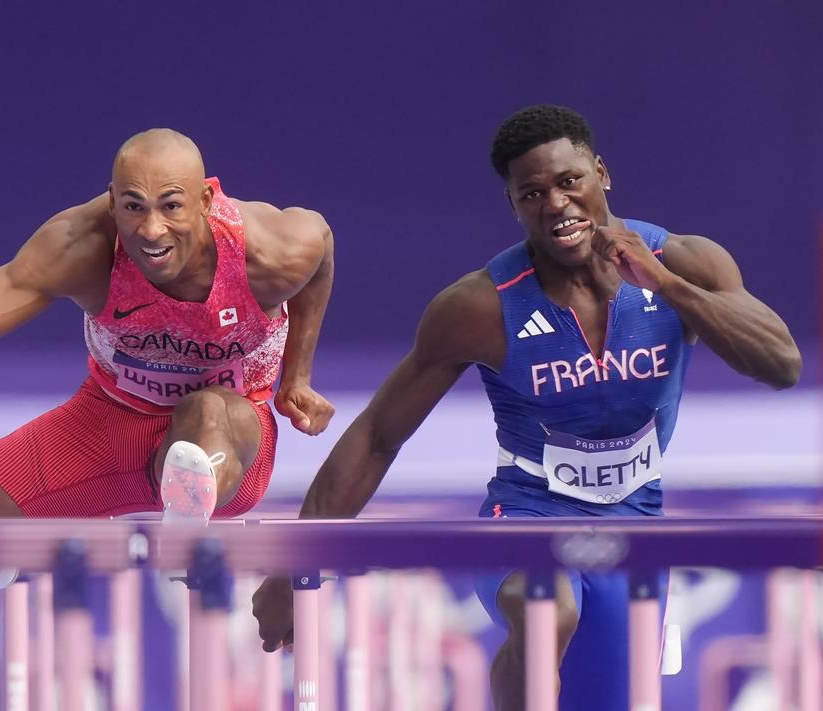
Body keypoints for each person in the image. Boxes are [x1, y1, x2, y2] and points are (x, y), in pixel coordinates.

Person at [252, 105, 801, 710]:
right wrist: (292, 562)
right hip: (524, 515)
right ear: (514, 206)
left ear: (601, 174)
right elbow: (379, 435)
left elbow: (781, 365)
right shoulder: (478, 306)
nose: (557, 204)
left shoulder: (686, 263)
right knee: (545, 607)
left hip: (636, 524)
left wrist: (667, 287)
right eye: (533, 193)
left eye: (570, 183)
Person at [0, 128, 336, 629]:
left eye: (171, 206)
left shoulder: (269, 251)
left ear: (206, 199)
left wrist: (296, 377)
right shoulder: (81, 245)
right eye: (134, 207)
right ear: (111, 201)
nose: (152, 230)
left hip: (230, 436)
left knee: (206, 410)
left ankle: (188, 518)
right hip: (103, 424)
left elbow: (321, 251)